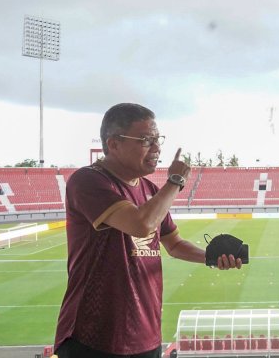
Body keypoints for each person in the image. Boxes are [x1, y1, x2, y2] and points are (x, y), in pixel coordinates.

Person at [54, 103, 242, 358]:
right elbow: (141, 225)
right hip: (93, 336)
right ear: (114, 144)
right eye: (146, 140)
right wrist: (175, 181)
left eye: (157, 140)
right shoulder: (89, 180)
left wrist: (210, 257)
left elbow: (174, 244)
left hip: (146, 336)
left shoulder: (150, 190)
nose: (157, 148)